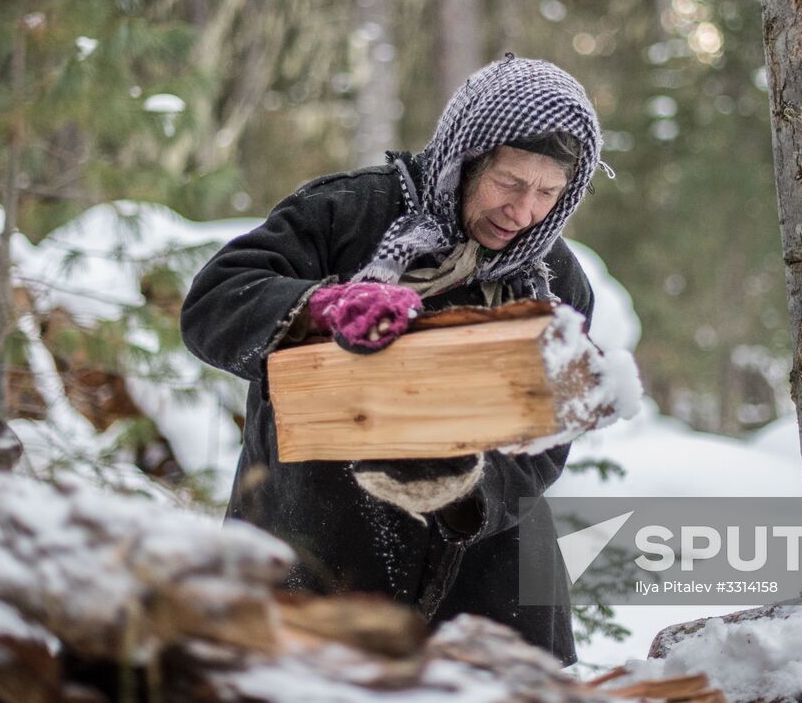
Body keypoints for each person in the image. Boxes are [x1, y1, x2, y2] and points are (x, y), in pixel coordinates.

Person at [180, 54, 607, 665]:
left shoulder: (554, 279)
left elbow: (549, 433)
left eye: (548, 193)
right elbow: (214, 305)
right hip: (318, 547)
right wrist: (318, 309)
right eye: (510, 183)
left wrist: (468, 491)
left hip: (490, 584)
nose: (524, 212)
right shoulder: (349, 214)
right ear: (465, 159)